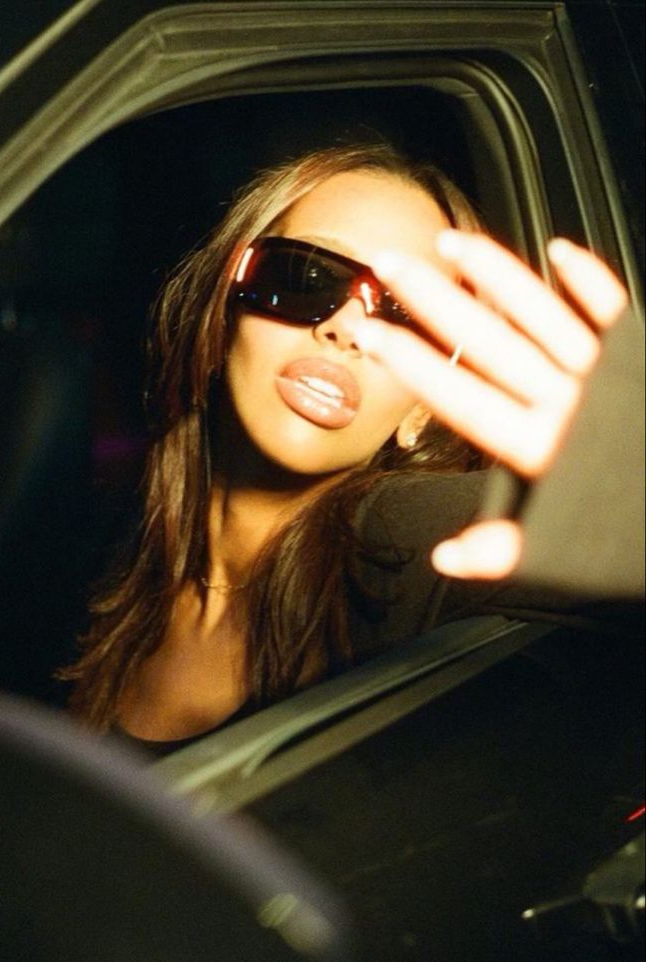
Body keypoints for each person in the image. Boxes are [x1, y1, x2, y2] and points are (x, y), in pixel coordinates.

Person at [59, 143, 642, 754]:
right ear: (222, 310)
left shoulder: (402, 542)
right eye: (305, 277)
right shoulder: (112, 538)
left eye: (405, 318)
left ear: (421, 407)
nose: (346, 329)